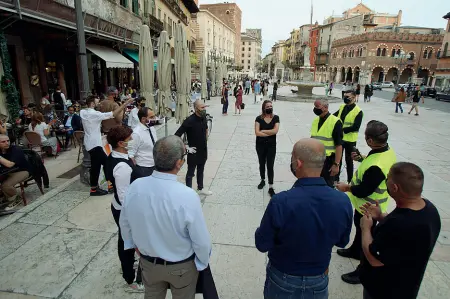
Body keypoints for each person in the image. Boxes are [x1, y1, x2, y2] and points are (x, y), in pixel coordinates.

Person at [255, 138, 353, 299]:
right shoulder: (342, 201)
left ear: (298, 163)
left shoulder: (281, 202)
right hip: (319, 277)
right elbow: (342, 241)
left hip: (283, 277)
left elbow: (262, 243)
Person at [119, 135, 212, 299]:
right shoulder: (187, 195)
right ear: (179, 163)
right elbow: (201, 241)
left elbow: (125, 224)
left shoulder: (136, 187)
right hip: (181, 268)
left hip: (149, 264)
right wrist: (201, 262)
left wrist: (135, 246)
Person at [359, 162, 441, 299]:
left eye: (387, 179)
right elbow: (401, 239)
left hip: (385, 290)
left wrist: (366, 228)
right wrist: (380, 216)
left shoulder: (398, 224)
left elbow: (374, 259)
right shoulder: (429, 209)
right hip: (407, 285)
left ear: (395, 187)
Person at [335, 120, 396, 285]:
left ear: (370, 140)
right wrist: (361, 158)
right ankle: (355, 251)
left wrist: (346, 188)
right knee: (360, 230)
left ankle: (362, 271)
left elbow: (365, 189)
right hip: (364, 204)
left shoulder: (377, 165)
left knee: (366, 235)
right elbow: (372, 163)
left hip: (369, 206)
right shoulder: (384, 151)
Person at [105, 126, 144, 292]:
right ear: (121, 143)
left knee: (126, 240)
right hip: (124, 210)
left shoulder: (116, 156)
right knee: (127, 243)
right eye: (129, 139)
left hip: (120, 207)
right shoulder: (122, 167)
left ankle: (127, 266)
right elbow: (124, 197)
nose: (132, 141)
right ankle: (130, 279)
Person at [80, 95, 132, 196]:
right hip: (95, 144)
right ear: (92, 103)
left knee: (97, 166)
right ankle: (108, 185)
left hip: (89, 142)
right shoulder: (95, 114)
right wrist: (125, 104)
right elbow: (113, 114)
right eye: (97, 102)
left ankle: (97, 188)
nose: (99, 104)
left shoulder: (83, 112)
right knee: (106, 163)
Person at [175, 100, 212, 196]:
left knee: (201, 170)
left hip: (203, 150)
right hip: (193, 151)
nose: (204, 109)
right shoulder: (189, 121)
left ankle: (200, 188)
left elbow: (206, 129)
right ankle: (188, 192)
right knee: (190, 172)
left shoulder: (204, 118)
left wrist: (205, 139)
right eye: (202, 107)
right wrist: (186, 147)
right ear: (196, 109)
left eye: (204, 107)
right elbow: (177, 135)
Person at [311, 99, 343, 187]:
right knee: (315, 185)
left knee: (327, 186)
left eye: (317, 107)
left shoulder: (335, 122)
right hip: (315, 159)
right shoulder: (315, 121)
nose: (315, 109)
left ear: (325, 108)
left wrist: (336, 164)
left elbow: (339, 145)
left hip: (328, 160)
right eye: (314, 107)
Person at [333, 91, 363, 183]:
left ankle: (350, 180)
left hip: (350, 140)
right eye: (344, 96)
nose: (345, 98)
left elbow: (355, 127)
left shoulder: (358, 111)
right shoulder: (342, 107)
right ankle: (335, 179)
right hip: (340, 139)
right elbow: (334, 117)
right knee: (338, 159)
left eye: (348, 96)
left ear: (354, 97)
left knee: (349, 160)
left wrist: (342, 129)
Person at [255, 100, 280, 197]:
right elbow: (257, 133)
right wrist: (270, 132)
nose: (270, 108)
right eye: (268, 106)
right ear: (264, 108)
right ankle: (262, 180)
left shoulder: (276, 118)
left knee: (270, 165)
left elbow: (275, 131)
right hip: (260, 145)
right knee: (261, 163)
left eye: (271, 106)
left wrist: (264, 131)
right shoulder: (258, 118)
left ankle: (271, 186)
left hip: (271, 146)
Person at [0, 134, 30, 210]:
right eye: (3, 142)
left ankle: (16, 198)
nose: (7, 143)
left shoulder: (16, 149)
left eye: (8, 141)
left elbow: (10, 164)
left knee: (5, 185)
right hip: (7, 172)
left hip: (22, 171)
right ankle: (5, 196)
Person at [128, 107, 158, 178]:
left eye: (154, 116)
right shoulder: (136, 133)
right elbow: (130, 153)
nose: (154, 118)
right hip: (143, 168)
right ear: (143, 119)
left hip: (154, 165)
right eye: (151, 117)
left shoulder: (152, 128)